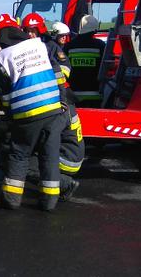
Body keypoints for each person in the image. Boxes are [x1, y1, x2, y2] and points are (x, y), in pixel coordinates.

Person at [0, 13, 66, 211]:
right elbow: (58, 73)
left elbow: (4, 96)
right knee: (49, 155)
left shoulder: (0, 59)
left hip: (26, 114)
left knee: (19, 154)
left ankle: (11, 199)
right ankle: (49, 202)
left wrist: (10, 118)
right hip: (53, 108)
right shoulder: (40, 45)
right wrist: (62, 100)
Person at [23, 13, 84, 200]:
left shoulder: (51, 47)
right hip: (69, 151)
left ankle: (64, 184)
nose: (30, 35)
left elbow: (64, 70)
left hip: (67, 158)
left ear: (40, 30)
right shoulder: (27, 47)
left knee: (23, 160)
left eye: (33, 31)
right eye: (27, 31)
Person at [65, 15, 106, 106]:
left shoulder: (69, 46)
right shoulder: (100, 45)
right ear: (94, 29)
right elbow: (107, 67)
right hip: (94, 96)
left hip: (73, 96)